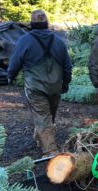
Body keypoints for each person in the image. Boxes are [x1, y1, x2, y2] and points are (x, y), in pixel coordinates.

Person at [7, 10, 72, 157]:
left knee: (43, 116)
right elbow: (67, 66)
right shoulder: (58, 41)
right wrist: (65, 83)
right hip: (55, 86)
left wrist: (10, 76)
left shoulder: (25, 40)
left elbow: (15, 62)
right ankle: (41, 138)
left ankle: (50, 151)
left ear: (31, 24)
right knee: (48, 115)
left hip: (35, 86)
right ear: (47, 24)